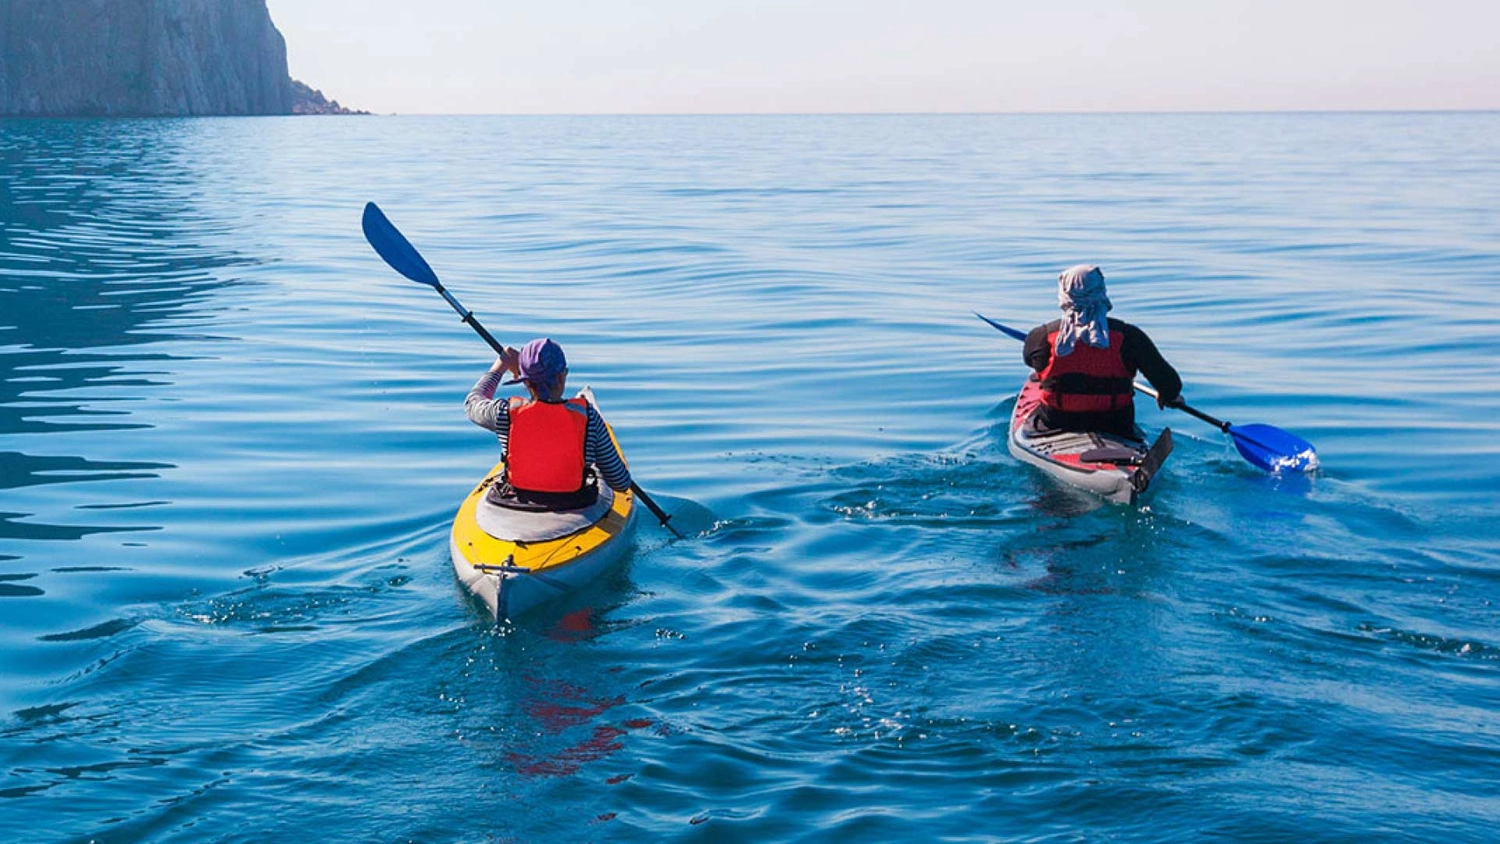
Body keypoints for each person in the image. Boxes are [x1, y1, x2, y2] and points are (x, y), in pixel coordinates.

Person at [464, 337, 631, 508]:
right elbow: (620, 482)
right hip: (573, 502)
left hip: (517, 501)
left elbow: (472, 404)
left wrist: (501, 365)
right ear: (561, 377)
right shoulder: (588, 417)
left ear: (525, 381)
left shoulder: (504, 413)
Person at [1022, 265, 1183, 439]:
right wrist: (1168, 395)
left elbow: (1032, 362)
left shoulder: (1041, 337)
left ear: (1064, 295)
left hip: (1057, 421)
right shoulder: (1130, 337)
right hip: (1115, 424)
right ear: (1102, 291)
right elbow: (1170, 384)